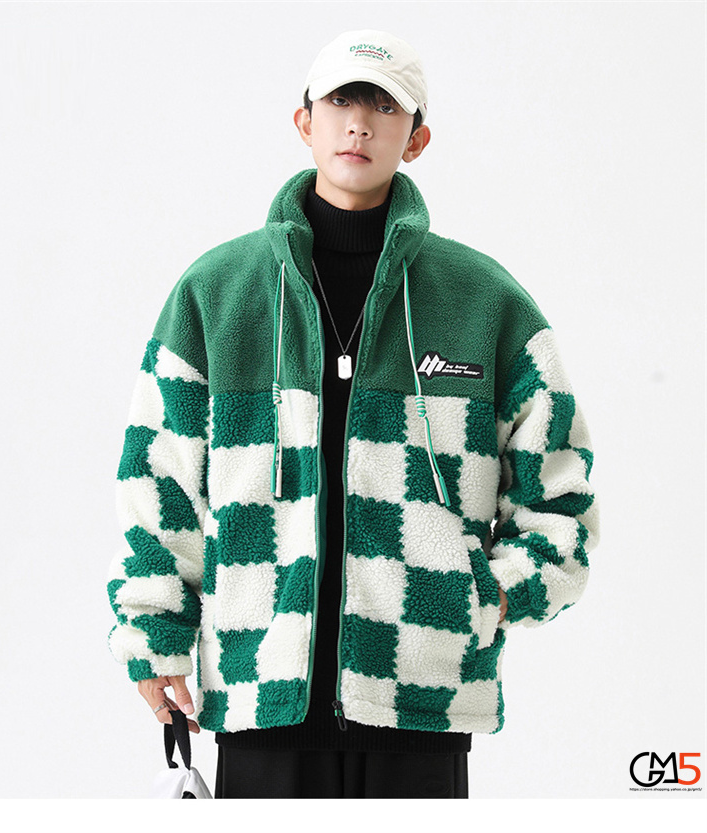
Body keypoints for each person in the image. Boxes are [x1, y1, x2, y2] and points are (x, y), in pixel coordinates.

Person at [106, 29, 600, 799]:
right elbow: (157, 480)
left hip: (423, 703)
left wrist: (486, 597)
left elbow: (561, 499)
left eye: (384, 106)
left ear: (418, 138)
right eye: (341, 101)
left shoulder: (486, 301)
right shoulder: (217, 293)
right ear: (304, 122)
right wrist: (153, 631)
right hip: (259, 695)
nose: (360, 124)